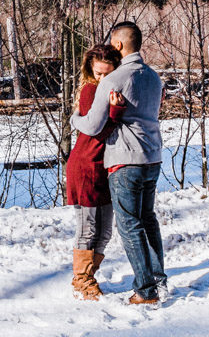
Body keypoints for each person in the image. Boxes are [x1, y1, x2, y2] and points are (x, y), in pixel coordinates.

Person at [70, 21, 167, 305]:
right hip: (153, 157)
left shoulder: (115, 79)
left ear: (119, 45)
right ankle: (158, 279)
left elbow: (92, 124)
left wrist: (74, 118)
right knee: (148, 220)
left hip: (126, 160)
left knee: (129, 226)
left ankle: (146, 290)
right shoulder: (153, 77)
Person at [66, 43, 125, 300]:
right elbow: (97, 130)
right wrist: (116, 111)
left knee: (106, 232)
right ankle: (82, 280)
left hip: (104, 168)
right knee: (87, 229)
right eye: (97, 72)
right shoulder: (91, 90)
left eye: (106, 73)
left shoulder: (113, 88)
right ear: (91, 70)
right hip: (85, 166)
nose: (102, 78)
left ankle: (88, 275)